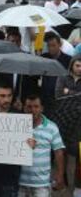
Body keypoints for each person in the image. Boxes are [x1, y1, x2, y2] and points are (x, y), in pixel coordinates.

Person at [18, 94, 65, 196]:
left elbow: (58, 152)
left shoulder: (52, 127)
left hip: (42, 184)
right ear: (24, 108)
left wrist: (60, 175)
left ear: (42, 108)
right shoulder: (15, 126)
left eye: (36, 106)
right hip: (19, 182)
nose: (32, 110)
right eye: (29, 107)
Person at [53, 56, 81, 195]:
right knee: (61, 152)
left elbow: (66, 95)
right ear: (72, 66)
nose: (80, 69)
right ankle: (60, 182)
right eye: (77, 65)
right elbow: (58, 95)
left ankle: (74, 186)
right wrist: (76, 96)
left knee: (75, 155)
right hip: (62, 120)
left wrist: (68, 92)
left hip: (79, 124)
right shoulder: (63, 77)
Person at [41, 32, 71, 117]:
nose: (51, 48)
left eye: (53, 45)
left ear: (59, 45)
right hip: (45, 97)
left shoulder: (68, 60)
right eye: (49, 46)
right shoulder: (44, 57)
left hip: (60, 97)